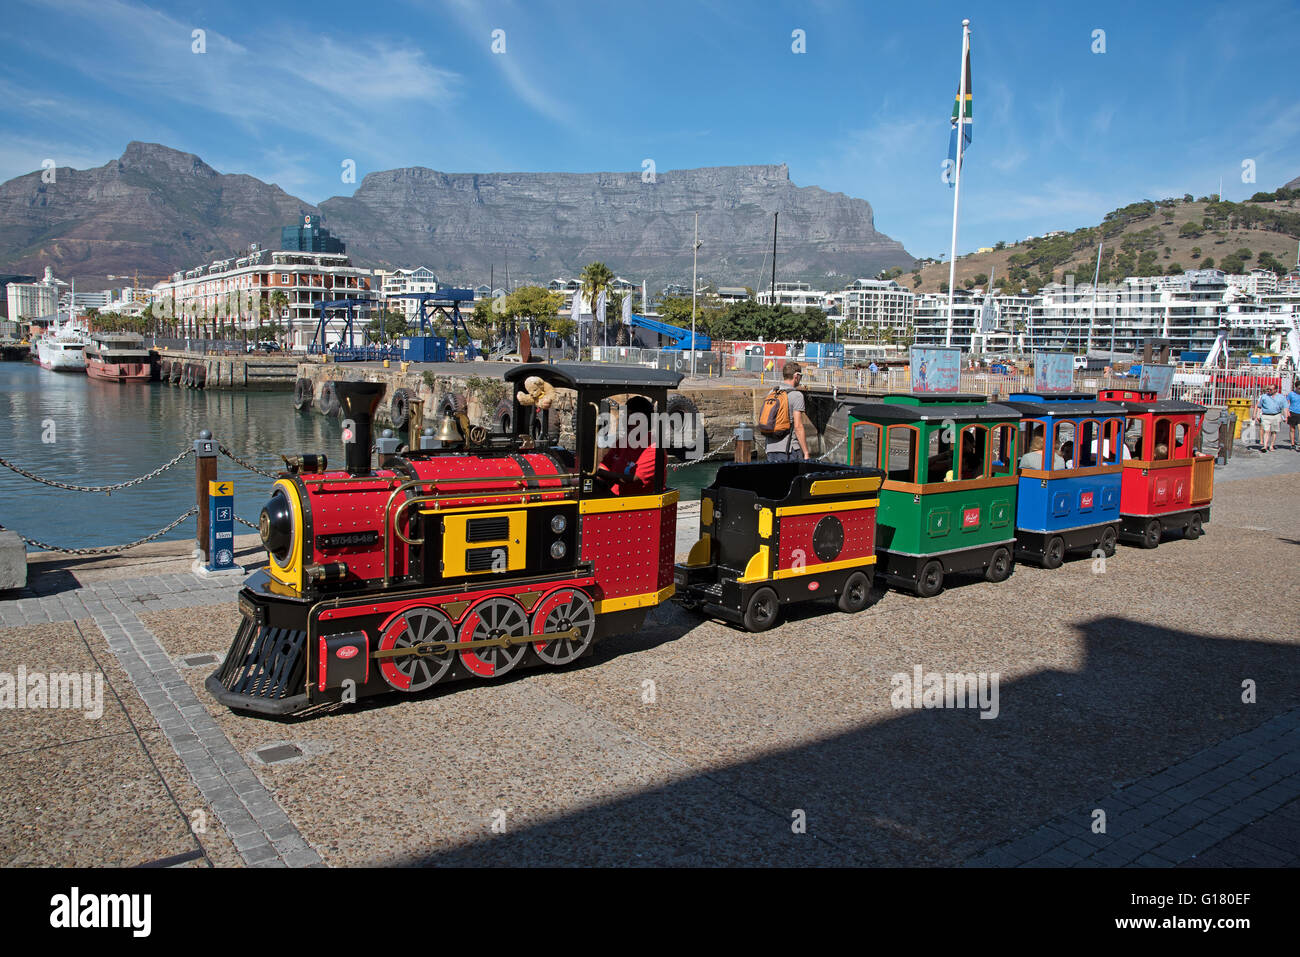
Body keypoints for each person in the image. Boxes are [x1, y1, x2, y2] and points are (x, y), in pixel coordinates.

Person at [596, 396, 660, 495]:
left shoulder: (654, 448)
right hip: (613, 498)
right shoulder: (621, 442)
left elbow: (634, 479)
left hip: (638, 504)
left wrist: (600, 473)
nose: (626, 421)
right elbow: (605, 465)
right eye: (626, 416)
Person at [764, 361, 809, 462]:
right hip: (789, 449)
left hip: (770, 448)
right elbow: (798, 427)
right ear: (796, 376)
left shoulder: (772, 392)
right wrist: (806, 452)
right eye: (800, 375)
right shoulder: (797, 396)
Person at [1257, 384, 1285, 453]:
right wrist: (1258, 414)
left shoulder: (1281, 397)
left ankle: (1271, 446)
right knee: (1266, 431)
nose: (1269, 391)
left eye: (1271, 389)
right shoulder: (1264, 396)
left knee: (1274, 431)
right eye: (1268, 389)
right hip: (1266, 415)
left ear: (1275, 390)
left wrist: (1285, 416)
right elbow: (1259, 406)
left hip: (1276, 415)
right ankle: (1265, 446)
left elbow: (1285, 407)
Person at [1285, 382, 1300, 452]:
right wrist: (1287, 412)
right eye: (1299, 388)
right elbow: (1287, 404)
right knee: (1292, 429)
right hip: (1292, 413)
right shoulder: (1291, 394)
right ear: (1296, 387)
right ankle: (1292, 444)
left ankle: (1299, 444)